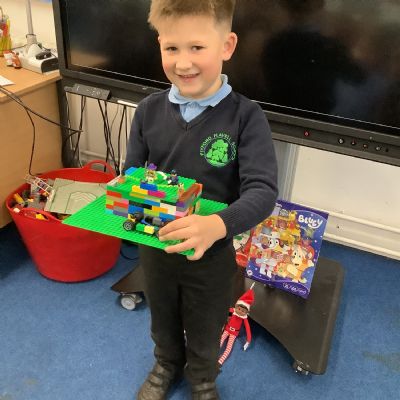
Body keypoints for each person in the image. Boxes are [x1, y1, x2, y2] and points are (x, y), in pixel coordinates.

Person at [123, 1, 278, 399]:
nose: (183, 62)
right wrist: (124, 194)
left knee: (206, 323)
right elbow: (131, 174)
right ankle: (166, 363)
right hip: (156, 248)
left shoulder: (247, 117)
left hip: (211, 255)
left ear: (227, 46)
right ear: (159, 45)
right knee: (162, 316)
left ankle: (203, 378)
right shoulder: (147, 111)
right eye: (172, 48)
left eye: (197, 47)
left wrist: (217, 225)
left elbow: (262, 192)